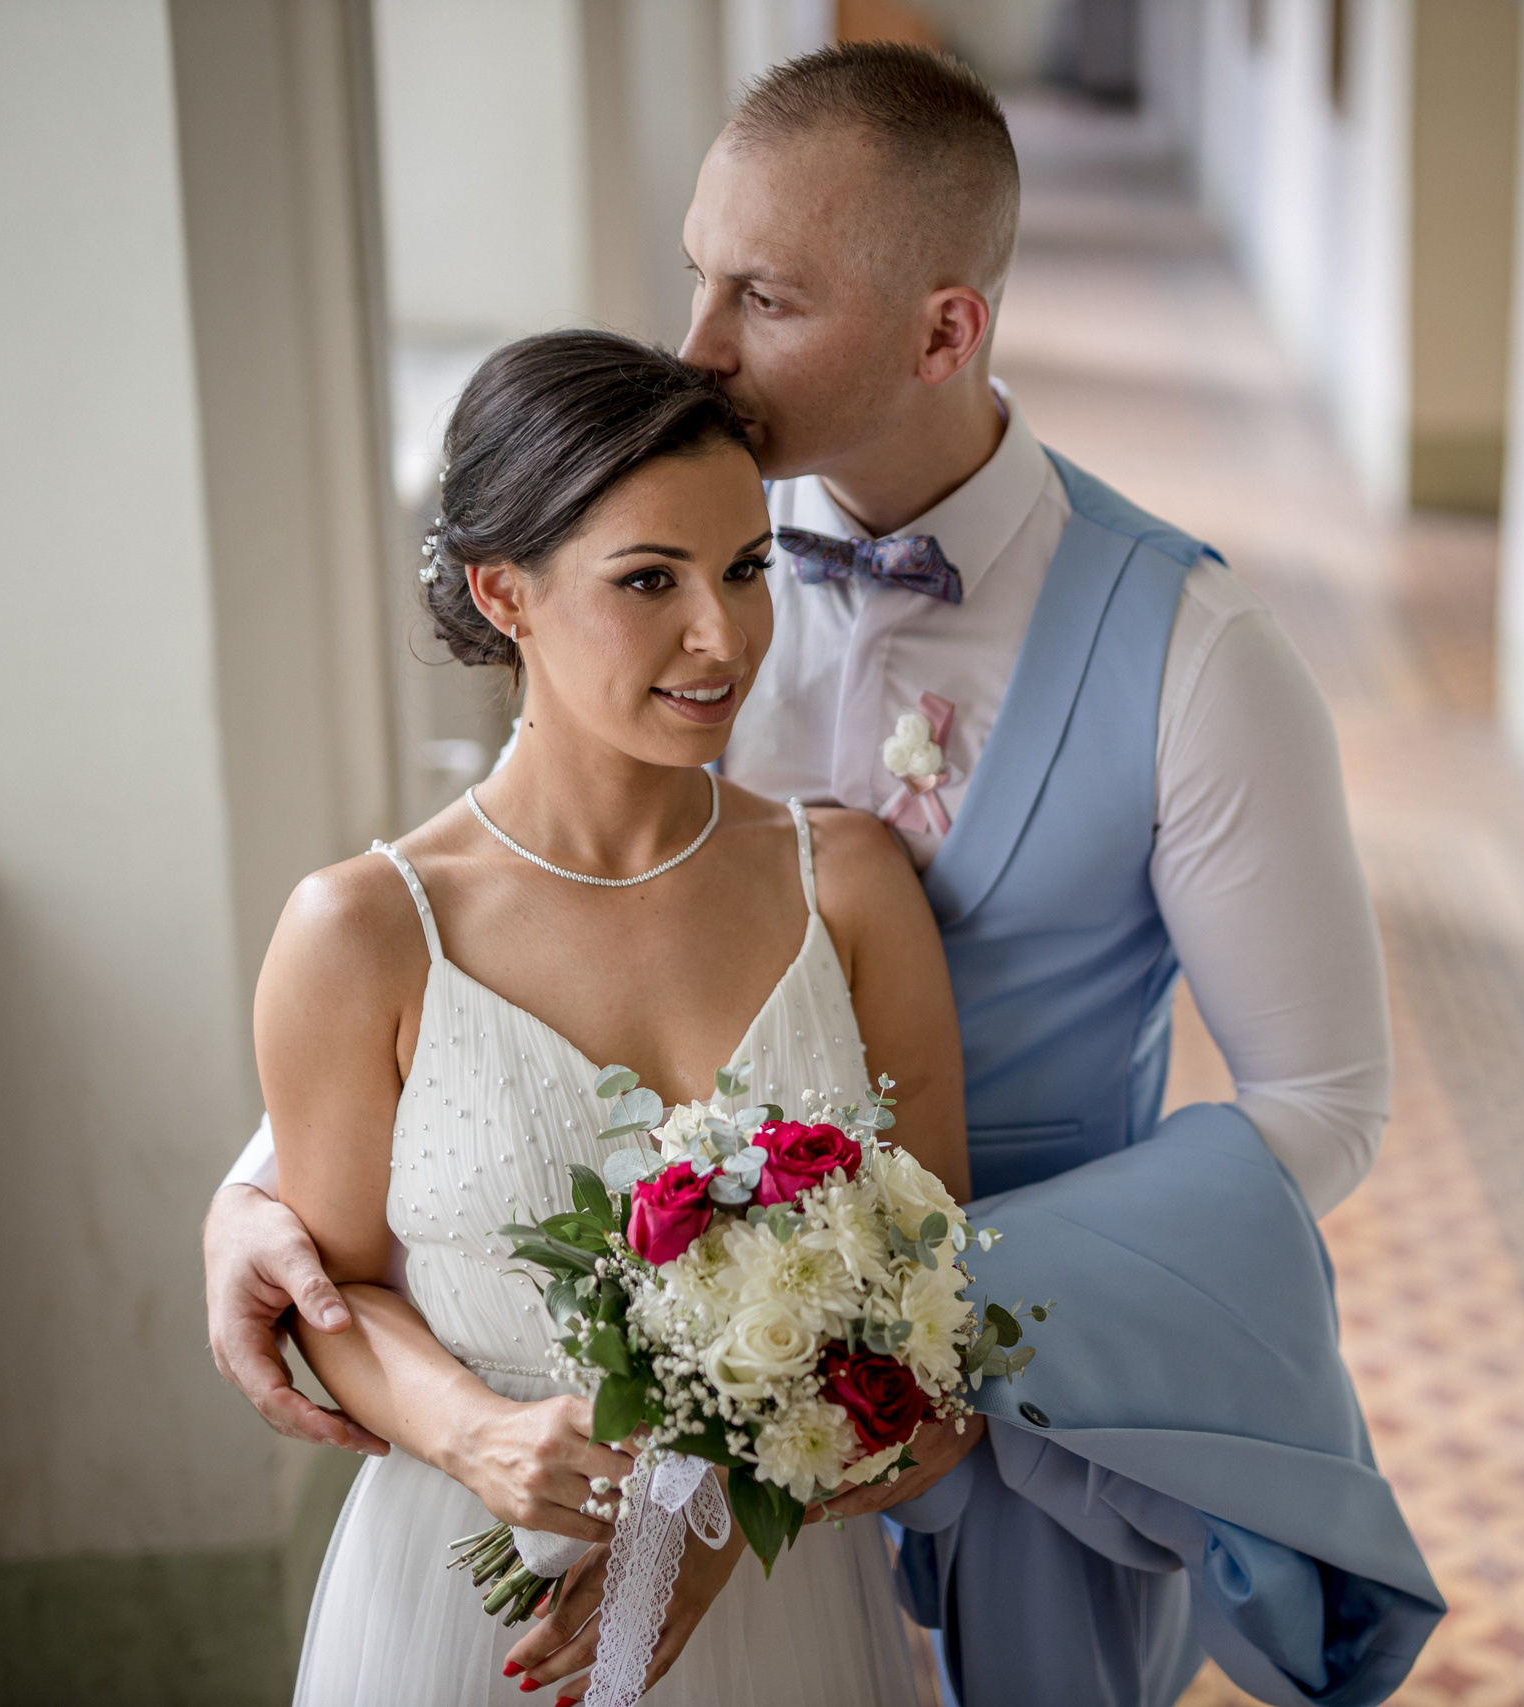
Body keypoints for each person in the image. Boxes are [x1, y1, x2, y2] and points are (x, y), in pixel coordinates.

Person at [211, 43, 1436, 1705]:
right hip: (631, 1430)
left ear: (948, 327)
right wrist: (268, 1187)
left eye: (764, 298)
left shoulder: (1199, 655)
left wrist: (875, 1321)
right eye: (698, 275)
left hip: (1028, 1432)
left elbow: (1321, 1105)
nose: (700, 344)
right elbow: (509, 941)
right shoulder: (660, 574)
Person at [268, 329, 951, 1703]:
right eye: (651, 580)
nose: (724, 636)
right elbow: (322, 1296)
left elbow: (936, 1335)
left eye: (748, 569)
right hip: (468, 1607)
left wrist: (720, 1527)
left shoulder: (853, 885)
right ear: (502, 592)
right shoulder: (363, 933)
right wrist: (472, 1434)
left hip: (779, 1609)